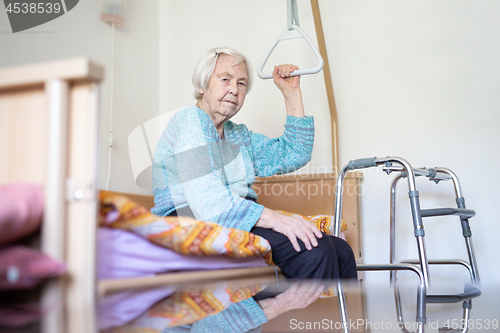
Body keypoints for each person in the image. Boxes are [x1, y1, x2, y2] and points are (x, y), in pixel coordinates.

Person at [152, 47, 356, 330]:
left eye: (242, 83)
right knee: (316, 251)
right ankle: (271, 307)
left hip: (237, 224)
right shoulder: (189, 122)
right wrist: (279, 220)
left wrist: (291, 93)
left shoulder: (238, 136)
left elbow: (294, 153)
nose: (234, 89)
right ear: (202, 85)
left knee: (340, 252)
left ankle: (272, 304)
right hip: (188, 223)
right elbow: (208, 203)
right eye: (225, 79)